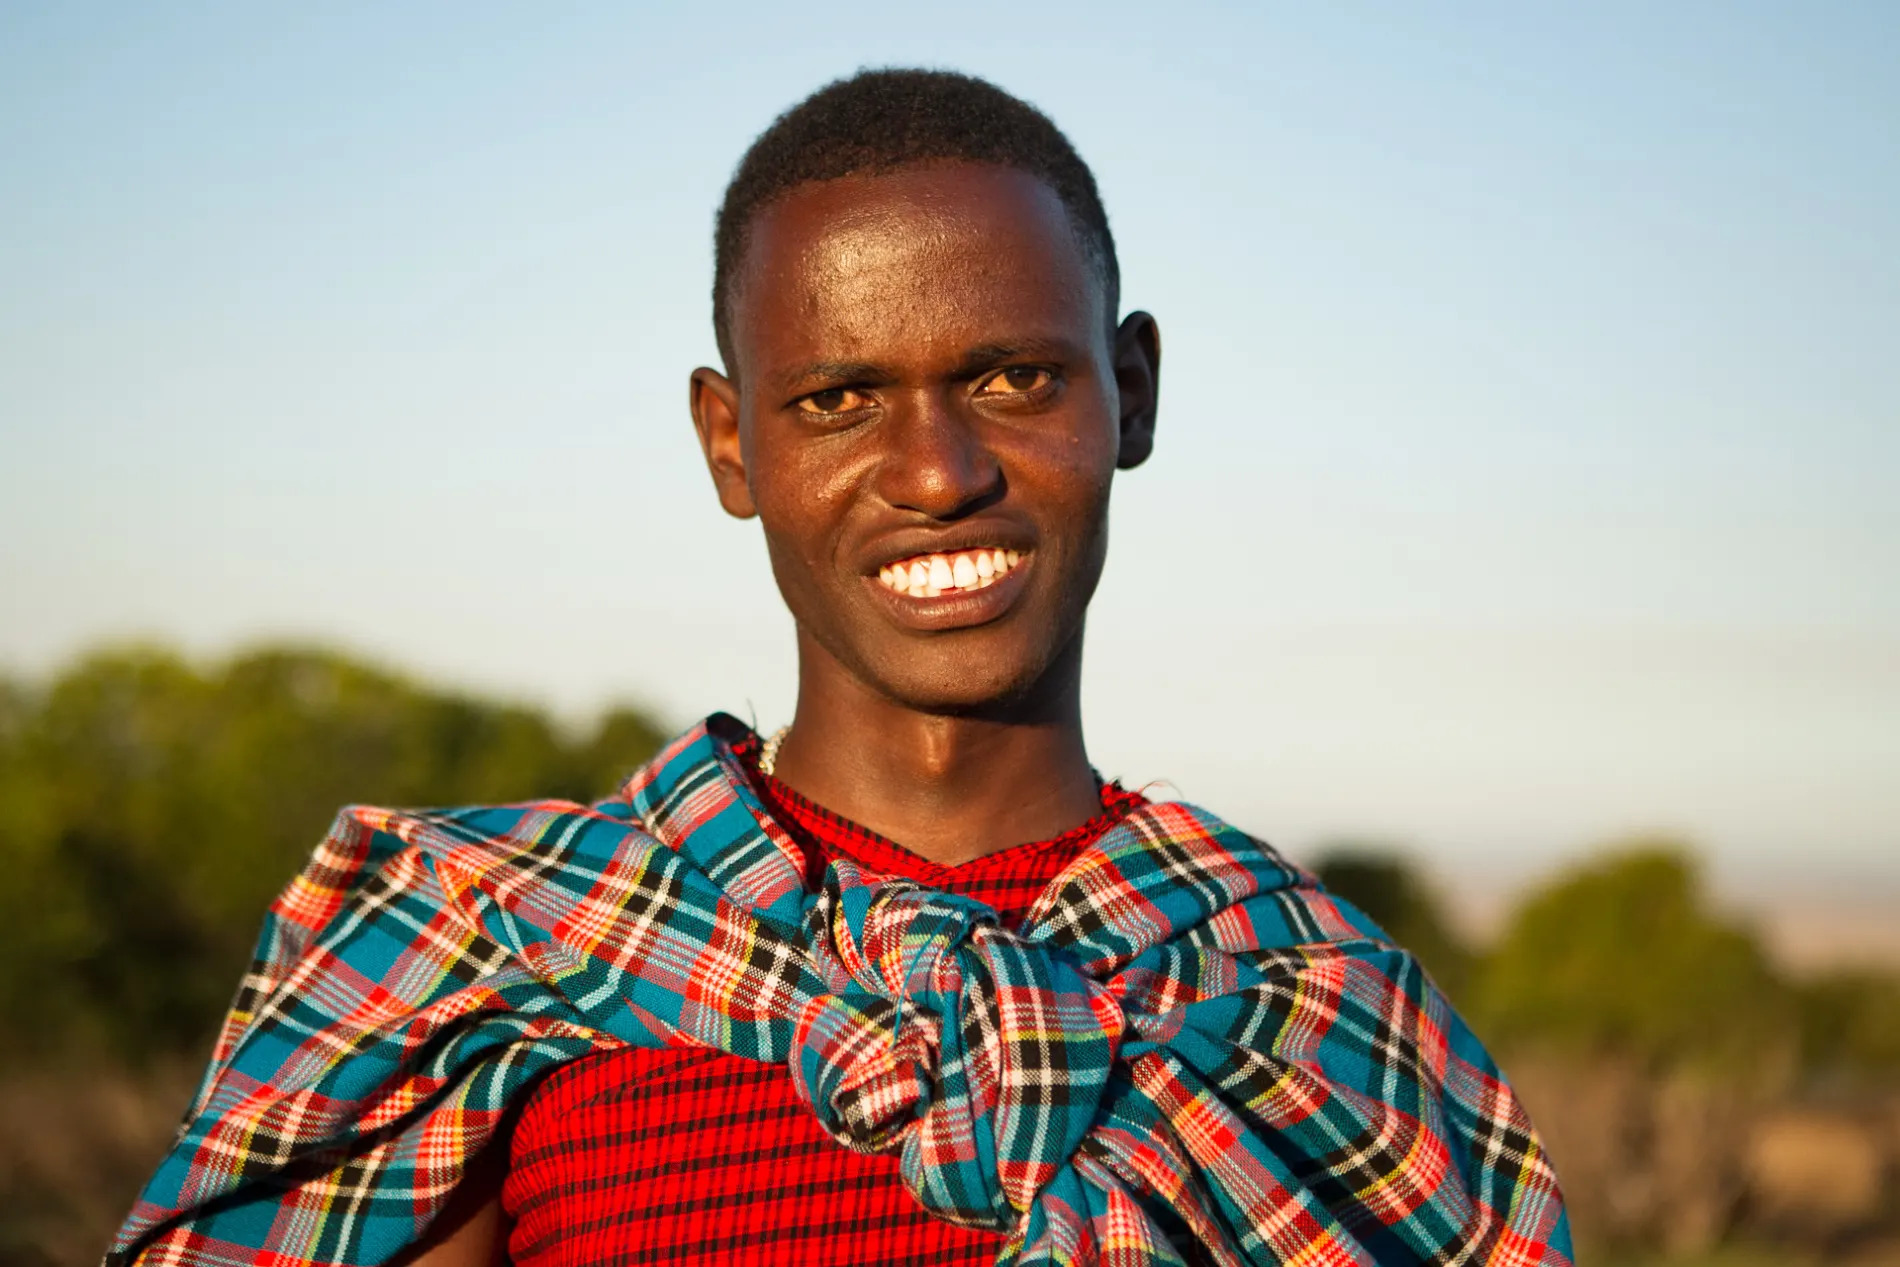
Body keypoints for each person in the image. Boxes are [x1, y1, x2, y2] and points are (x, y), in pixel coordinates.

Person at [111, 70, 1572, 1267]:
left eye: (1013, 378)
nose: (936, 473)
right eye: (839, 399)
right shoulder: (486, 956)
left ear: (1130, 391)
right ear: (732, 443)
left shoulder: (1310, 1014)